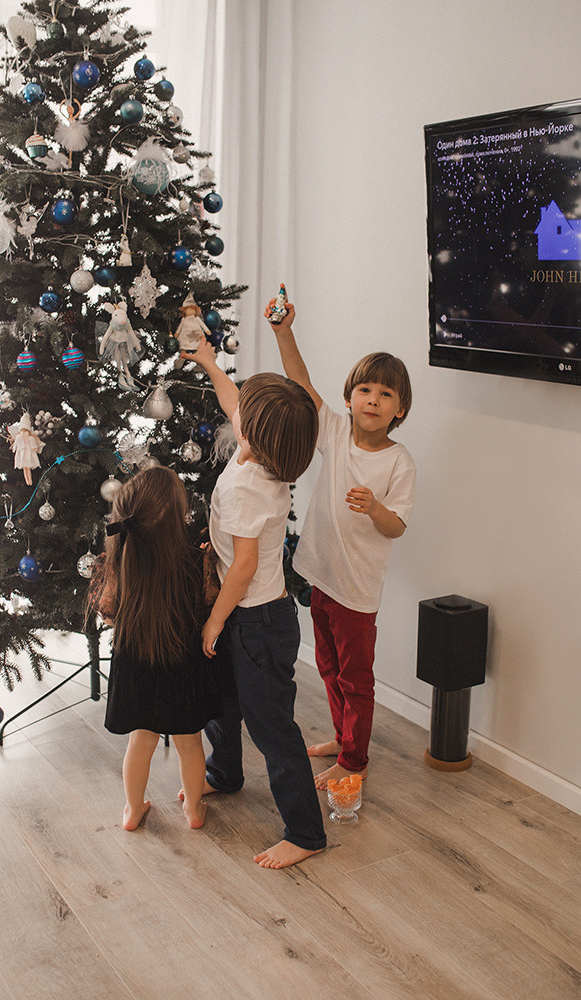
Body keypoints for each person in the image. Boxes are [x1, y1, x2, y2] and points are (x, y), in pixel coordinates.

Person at [179, 335, 327, 870]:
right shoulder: (261, 459)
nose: (234, 410)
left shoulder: (248, 487)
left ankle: (306, 832)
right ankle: (224, 773)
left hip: (254, 619)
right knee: (225, 702)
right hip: (251, 615)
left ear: (253, 436)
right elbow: (234, 403)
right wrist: (211, 363)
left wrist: (214, 623)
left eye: (245, 412)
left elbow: (242, 568)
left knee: (271, 726)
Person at [266, 296, 415, 790]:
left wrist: (374, 507)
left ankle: (355, 761)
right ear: (349, 398)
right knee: (328, 667)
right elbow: (300, 383)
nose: (373, 400)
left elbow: (396, 527)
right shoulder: (333, 430)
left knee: (356, 679)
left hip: (357, 590)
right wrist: (284, 332)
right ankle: (342, 736)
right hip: (321, 573)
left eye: (385, 394)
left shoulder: (399, 463)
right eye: (365, 390)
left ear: (399, 409)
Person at [98, 466, 223, 831]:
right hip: (182, 663)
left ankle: (133, 810)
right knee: (190, 744)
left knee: (141, 741)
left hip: (136, 663)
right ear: (175, 517)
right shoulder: (193, 559)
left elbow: (107, 613)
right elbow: (210, 601)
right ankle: (194, 810)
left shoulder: (121, 558)